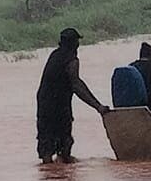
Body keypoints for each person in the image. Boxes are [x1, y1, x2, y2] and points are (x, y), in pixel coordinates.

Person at [35, 27, 106, 163]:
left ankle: (49, 178)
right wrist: (98, 107)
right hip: (59, 107)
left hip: (43, 105)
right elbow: (77, 86)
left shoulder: (54, 55)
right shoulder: (72, 60)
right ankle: (64, 174)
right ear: (74, 43)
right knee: (64, 147)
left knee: (46, 148)